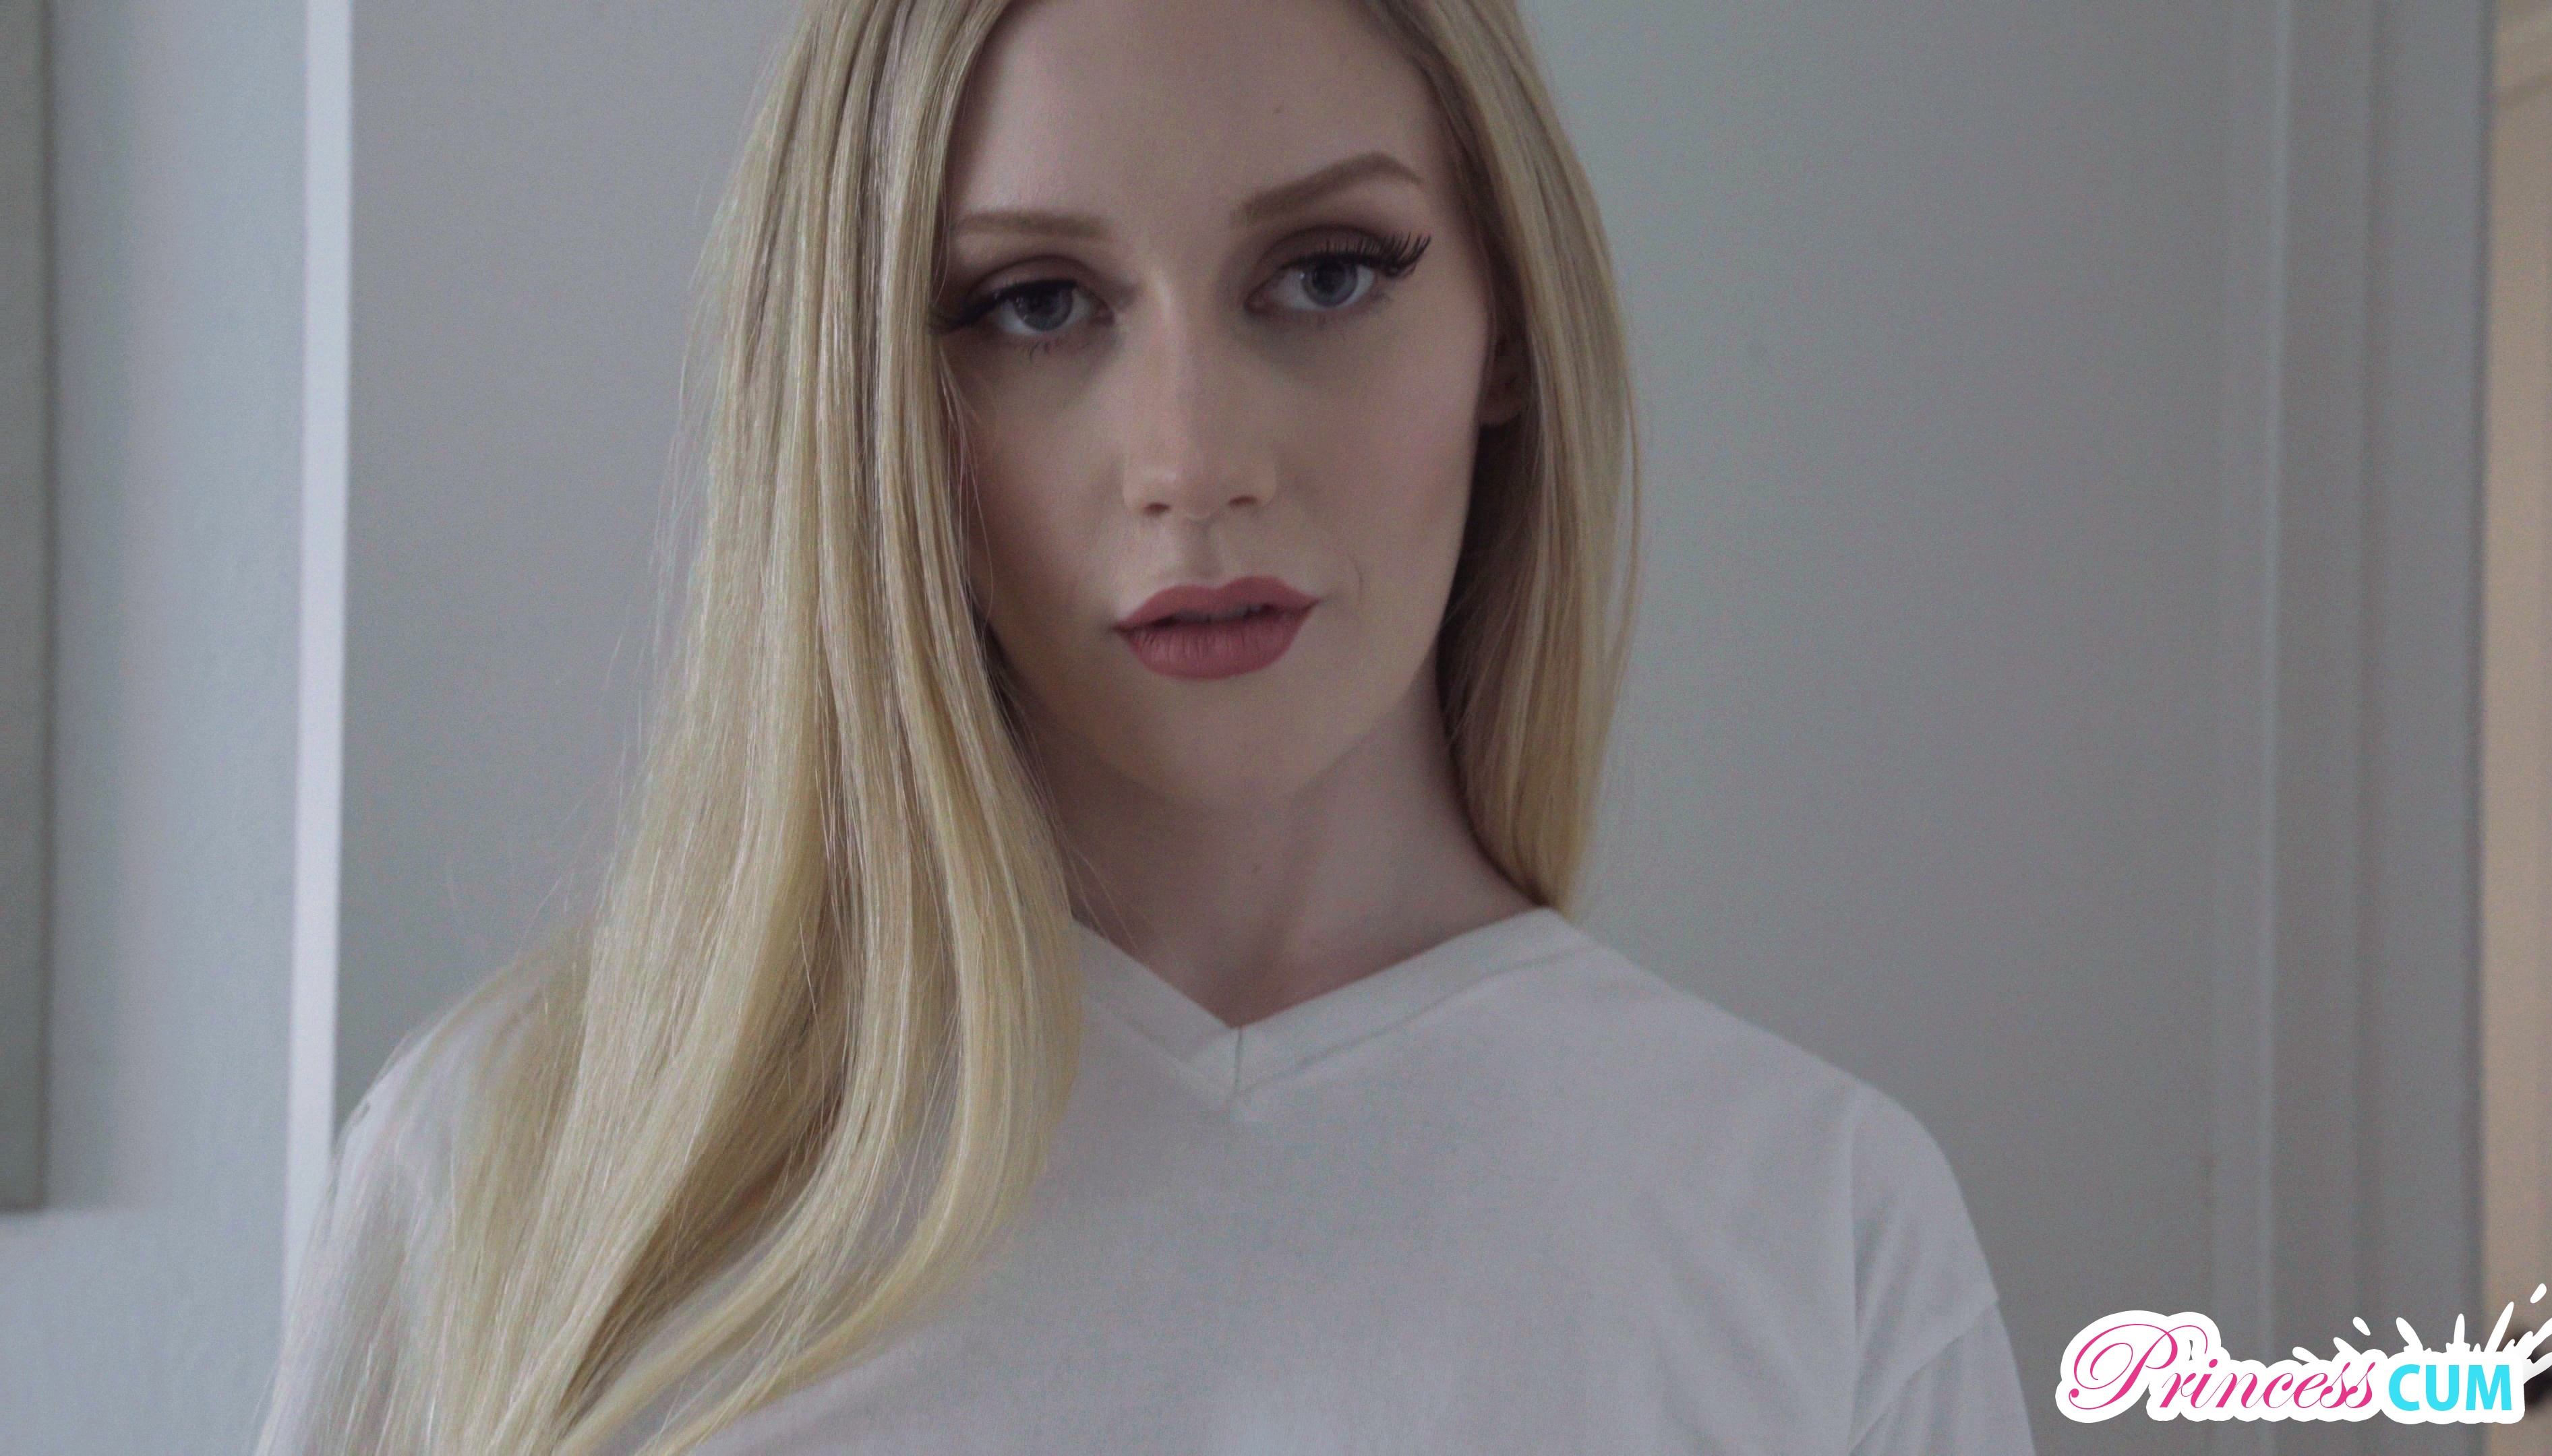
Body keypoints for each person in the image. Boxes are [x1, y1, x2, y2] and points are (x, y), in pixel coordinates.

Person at [257, 0, 2036, 1450]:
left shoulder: (1811, 1226)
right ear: (868, 391)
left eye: (1326, 274)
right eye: (1036, 306)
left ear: (1506, 321)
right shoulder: (526, 1160)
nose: (1194, 461)